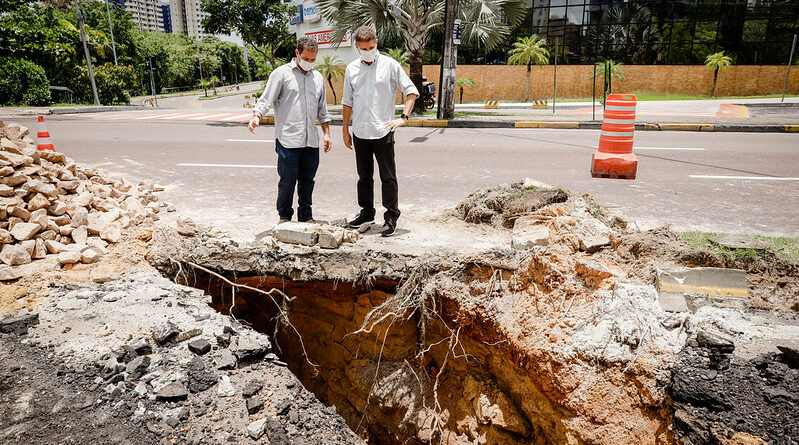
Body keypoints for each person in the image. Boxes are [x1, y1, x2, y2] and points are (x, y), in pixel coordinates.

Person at [342, 26, 419, 237]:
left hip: (382, 131)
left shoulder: (390, 65)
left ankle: (391, 216)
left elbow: (411, 91)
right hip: (359, 132)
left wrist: (403, 118)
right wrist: (345, 130)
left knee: (388, 177)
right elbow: (347, 102)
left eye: (372, 47)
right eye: (364, 48)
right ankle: (366, 213)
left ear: (376, 42)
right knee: (363, 177)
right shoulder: (351, 69)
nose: (368, 51)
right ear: (357, 47)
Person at [248, 37, 332, 224]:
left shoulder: (317, 78)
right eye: (306, 58)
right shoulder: (281, 74)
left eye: (313, 60)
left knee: (307, 181)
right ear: (297, 53)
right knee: (287, 182)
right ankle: (284, 217)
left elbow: (322, 110)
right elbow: (266, 98)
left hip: (311, 140)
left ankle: (306, 216)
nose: (309, 63)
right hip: (288, 140)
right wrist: (256, 116)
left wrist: (326, 133)